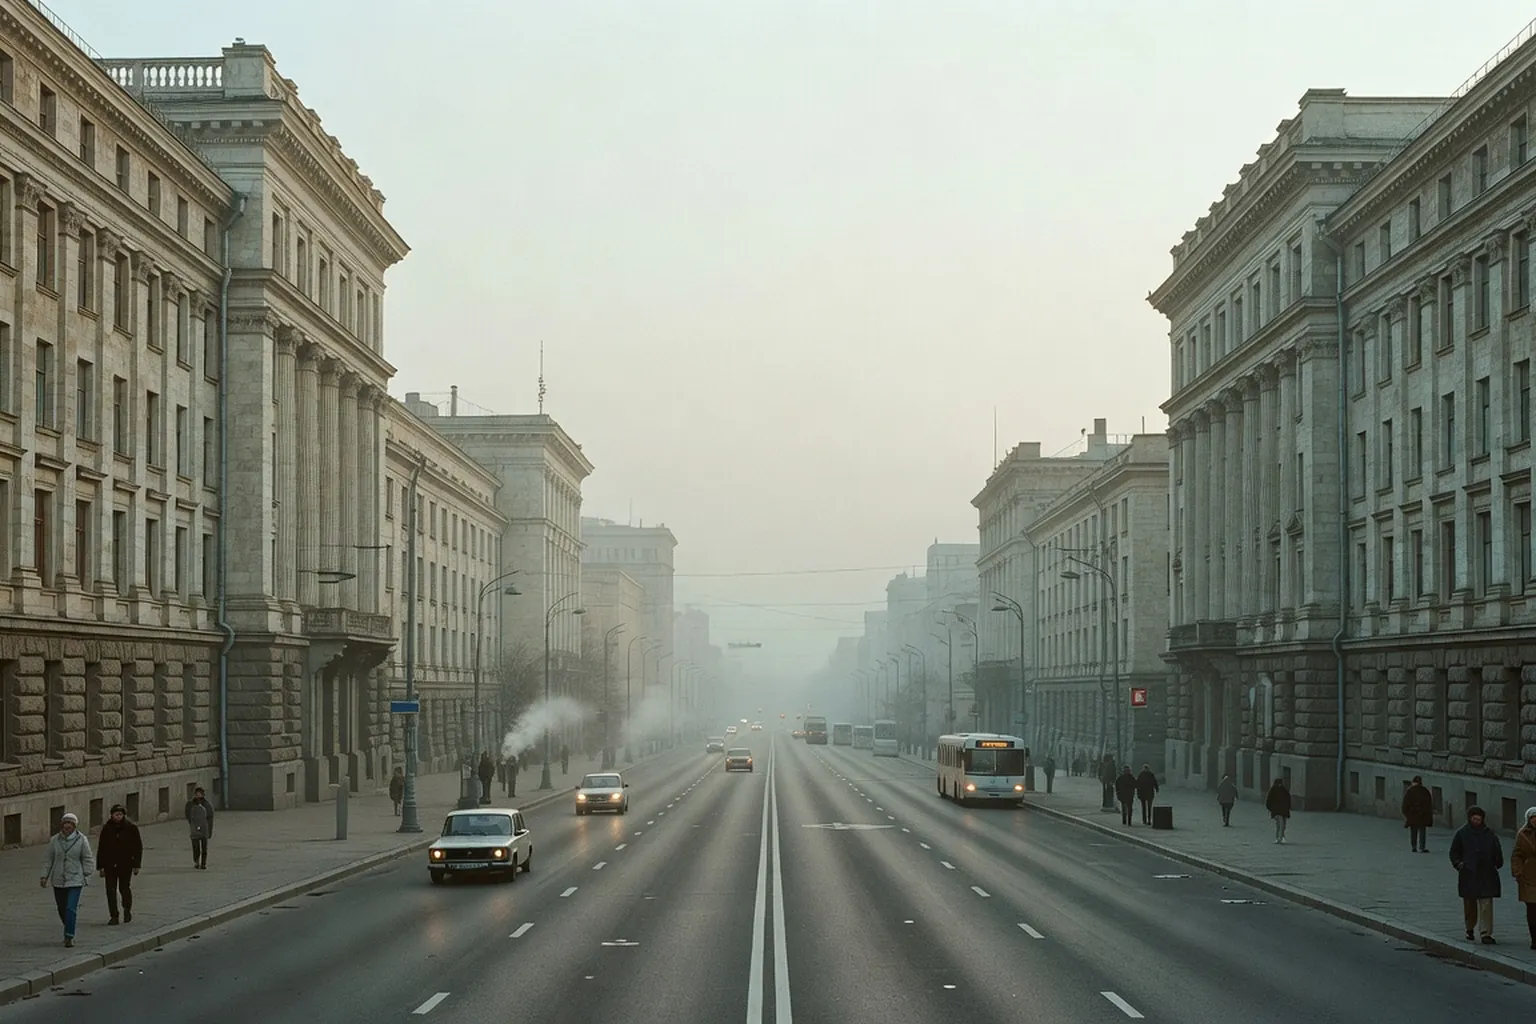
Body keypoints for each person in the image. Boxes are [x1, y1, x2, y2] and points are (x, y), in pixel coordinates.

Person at [1450, 804, 1503, 944]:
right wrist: (1459, 864)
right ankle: (1469, 928)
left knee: (1486, 904)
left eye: (1479, 819)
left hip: (1486, 873)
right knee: (1470, 904)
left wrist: (1498, 862)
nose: (1476, 821)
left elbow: (1497, 850)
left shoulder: (1489, 833)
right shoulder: (1462, 833)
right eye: (1474, 819)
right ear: (1469, 819)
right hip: (1469, 873)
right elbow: (1454, 852)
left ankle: (1486, 933)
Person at [40, 812, 94, 948]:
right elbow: (49, 859)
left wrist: (86, 872)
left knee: (71, 907)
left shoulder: (81, 840)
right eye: (65, 824)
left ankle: (69, 936)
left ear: (74, 826)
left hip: (75, 878)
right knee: (61, 908)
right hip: (58, 878)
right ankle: (69, 925)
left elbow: (87, 857)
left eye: (70, 824)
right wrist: (44, 876)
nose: (67, 826)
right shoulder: (54, 840)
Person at [96, 804, 143, 925]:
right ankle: (114, 915)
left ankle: (127, 909)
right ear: (111, 815)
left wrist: (136, 865)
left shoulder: (131, 828)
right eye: (116, 814)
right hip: (109, 865)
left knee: (124, 888)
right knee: (110, 890)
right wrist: (100, 866)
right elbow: (101, 848)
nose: (118, 816)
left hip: (125, 864)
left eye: (120, 814)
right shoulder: (107, 828)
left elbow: (138, 847)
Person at [1512, 805, 1536, 950]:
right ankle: (1534, 938)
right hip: (1529, 876)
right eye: (1533, 818)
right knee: (1532, 909)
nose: (1535, 821)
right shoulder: (1523, 834)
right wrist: (1518, 872)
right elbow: (1516, 854)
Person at [1402, 775, 1434, 854]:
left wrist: (1407, 814)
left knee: (1413, 831)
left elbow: (1405, 805)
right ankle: (1422, 847)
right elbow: (1429, 804)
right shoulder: (1425, 791)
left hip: (1413, 814)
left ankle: (1414, 846)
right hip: (1423, 815)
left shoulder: (1410, 791)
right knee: (1422, 831)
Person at [186, 786, 215, 869]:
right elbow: (188, 814)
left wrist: (209, 830)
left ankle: (203, 863)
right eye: (197, 794)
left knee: (204, 847)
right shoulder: (191, 804)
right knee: (195, 847)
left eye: (200, 793)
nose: (198, 795)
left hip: (204, 828)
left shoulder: (206, 805)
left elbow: (210, 817)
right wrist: (192, 823)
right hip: (195, 828)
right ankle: (196, 861)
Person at [1265, 778, 1291, 843]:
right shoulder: (1276, 790)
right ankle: (1279, 837)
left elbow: (1268, 800)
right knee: (1281, 824)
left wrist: (1270, 808)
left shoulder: (1282, 790)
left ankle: (1281, 837)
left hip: (1281, 811)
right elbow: (1269, 800)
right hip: (1278, 811)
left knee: (1281, 824)